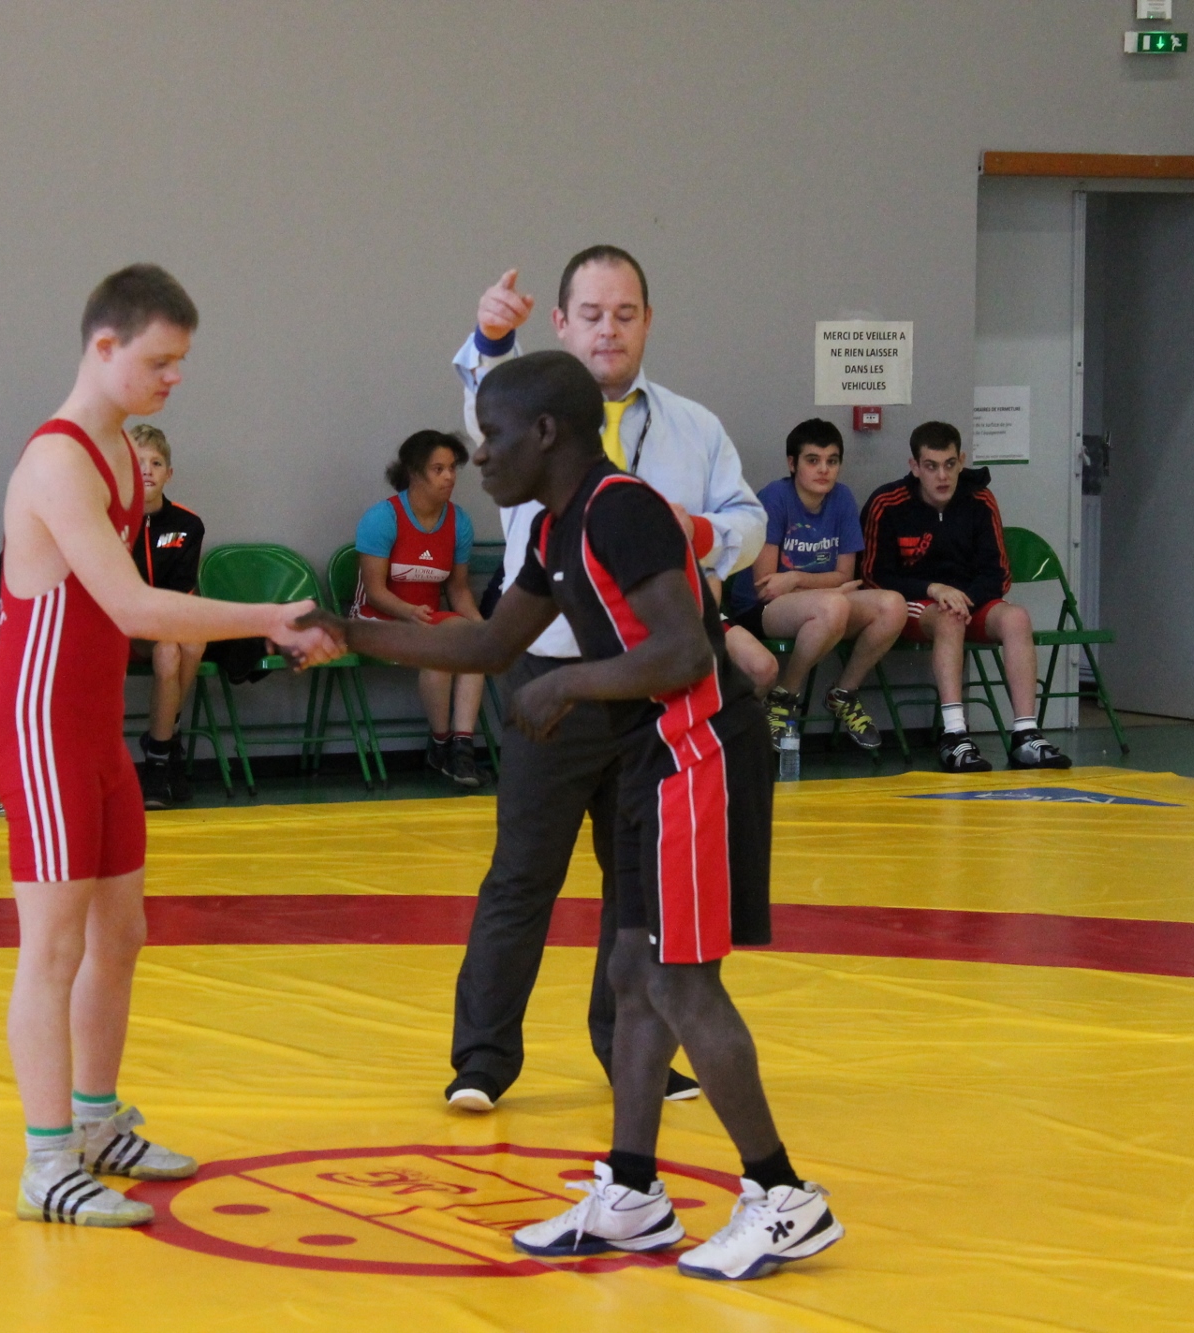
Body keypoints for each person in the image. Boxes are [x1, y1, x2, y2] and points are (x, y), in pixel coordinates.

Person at [299, 351, 843, 1283]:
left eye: (493, 435)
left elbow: (684, 652)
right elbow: (488, 643)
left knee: (680, 981)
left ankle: (783, 1194)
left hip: (697, 753)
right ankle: (632, 1191)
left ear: (546, 432)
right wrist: (348, 632)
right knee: (633, 971)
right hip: (647, 756)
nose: (479, 455)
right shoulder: (557, 526)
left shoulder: (621, 509)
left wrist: (570, 685)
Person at [0, 263, 336, 1229]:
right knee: (53, 947)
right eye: (161, 361)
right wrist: (268, 617)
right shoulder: (57, 461)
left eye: (181, 361)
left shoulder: (124, 456)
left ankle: (96, 1122)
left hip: (92, 726)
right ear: (105, 347)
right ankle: (46, 1161)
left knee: (121, 933)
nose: (176, 378)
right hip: (41, 725)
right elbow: (133, 607)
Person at [443, 247, 766, 1111]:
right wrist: (488, 339)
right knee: (522, 874)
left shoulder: (694, 426)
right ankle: (481, 1059)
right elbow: (482, 401)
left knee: (638, 886)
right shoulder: (527, 415)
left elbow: (749, 521)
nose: (608, 330)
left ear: (648, 321)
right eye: (590, 314)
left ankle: (633, 1052)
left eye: (625, 314)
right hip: (551, 673)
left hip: (653, 693)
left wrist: (698, 533)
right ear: (560, 322)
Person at [860, 420, 1070, 773]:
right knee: (949, 618)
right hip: (917, 604)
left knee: (1016, 617)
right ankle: (955, 734)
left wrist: (963, 598)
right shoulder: (888, 503)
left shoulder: (980, 499)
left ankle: (1025, 734)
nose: (942, 476)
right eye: (931, 466)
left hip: (971, 601)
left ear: (961, 461)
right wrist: (933, 589)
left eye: (949, 464)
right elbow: (874, 576)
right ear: (915, 467)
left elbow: (998, 574)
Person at [729, 419, 905, 748]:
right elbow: (766, 588)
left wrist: (796, 578)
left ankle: (843, 693)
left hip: (820, 602)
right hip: (759, 609)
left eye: (832, 461)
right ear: (792, 463)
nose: (824, 469)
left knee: (893, 605)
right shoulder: (775, 497)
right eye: (813, 460)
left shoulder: (842, 498)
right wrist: (828, 590)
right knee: (833, 605)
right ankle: (784, 695)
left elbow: (845, 576)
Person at [352, 429, 485, 788]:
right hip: (377, 619)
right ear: (414, 472)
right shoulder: (383, 518)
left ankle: (461, 748)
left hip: (425, 620)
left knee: (473, 643)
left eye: (453, 468)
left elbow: (457, 589)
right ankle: (440, 743)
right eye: (438, 469)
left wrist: (482, 627)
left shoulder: (459, 522)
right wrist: (409, 612)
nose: (449, 477)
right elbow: (375, 592)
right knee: (438, 648)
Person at [127, 422, 207, 809]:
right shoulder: (104, 519)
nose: (147, 470)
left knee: (184, 645)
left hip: (163, 626)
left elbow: (181, 592)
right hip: (118, 627)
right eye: (137, 462)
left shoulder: (187, 525)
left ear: (169, 473)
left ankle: (157, 759)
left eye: (156, 463)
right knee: (171, 647)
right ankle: (168, 745)